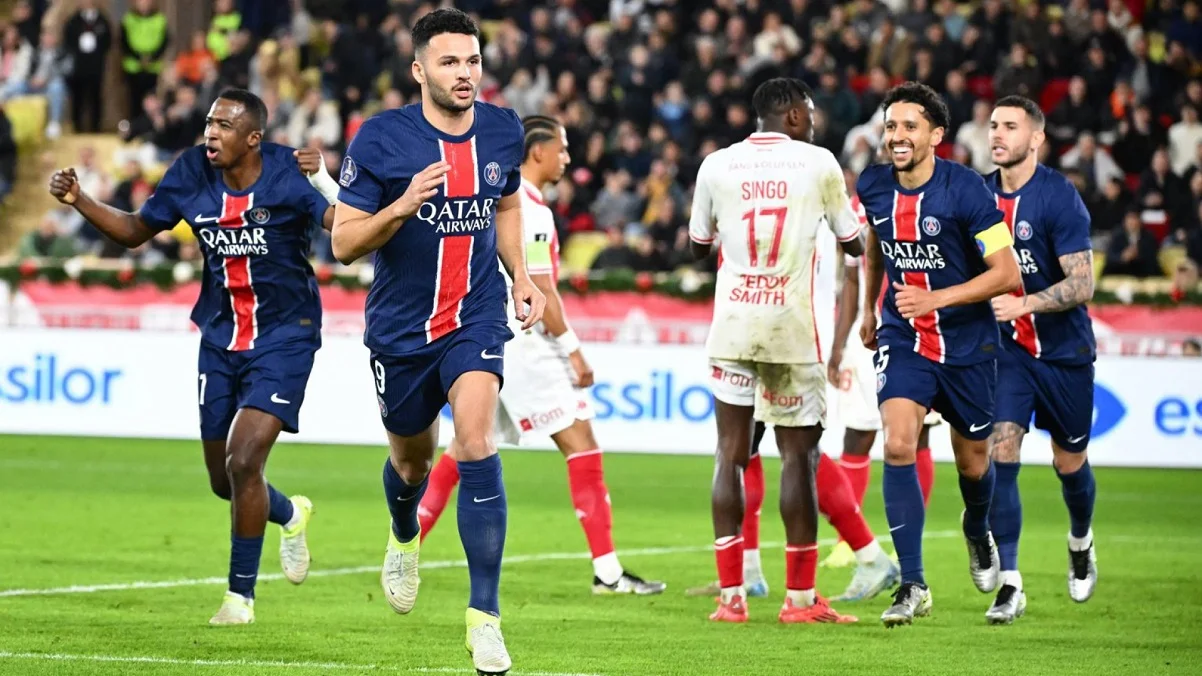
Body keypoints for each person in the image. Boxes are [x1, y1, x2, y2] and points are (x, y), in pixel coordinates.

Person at [47, 88, 336, 625]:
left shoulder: (288, 171)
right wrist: (80, 199)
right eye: (209, 123)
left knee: (244, 459)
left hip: (285, 336)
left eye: (224, 125)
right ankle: (291, 513)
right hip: (220, 338)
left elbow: (343, 227)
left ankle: (239, 598)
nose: (211, 133)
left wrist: (325, 181)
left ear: (254, 138)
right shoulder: (189, 171)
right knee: (223, 481)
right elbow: (135, 230)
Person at [330, 9, 545, 675]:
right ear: (419, 70)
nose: (464, 73)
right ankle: (404, 533)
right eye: (450, 62)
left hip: (475, 316)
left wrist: (521, 274)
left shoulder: (503, 129)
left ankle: (485, 620)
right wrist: (400, 207)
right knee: (411, 465)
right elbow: (342, 243)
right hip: (401, 331)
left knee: (476, 441)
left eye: (472, 61)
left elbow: (507, 202)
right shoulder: (381, 139)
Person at [414, 115, 666, 596]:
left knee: (465, 445)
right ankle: (608, 572)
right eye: (562, 148)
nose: (567, 158)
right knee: (582, 443)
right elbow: (541, 288)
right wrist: (573, 351)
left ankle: (404, 545)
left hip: (490, 338)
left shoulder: (500, 201)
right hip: (528, 343)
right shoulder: (529, 208)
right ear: (537, 152)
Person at [688, 77, 864, 625]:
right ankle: (800, 601)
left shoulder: (716, 164)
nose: (813, 122)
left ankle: (731, 598)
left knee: (729, 454)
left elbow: (697, 248)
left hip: (733, 325)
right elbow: (853, 242)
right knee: (798, 459)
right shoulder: (818, 163)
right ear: (791, 115)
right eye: (809, 112)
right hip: (791, 328)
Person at [857, 81, 1022, 628]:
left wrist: (937, 298)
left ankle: (976, 527)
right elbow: (876, 247)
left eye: (910, 126)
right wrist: (868, 309)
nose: (897, 135)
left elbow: (1007, 274)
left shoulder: (967, 190)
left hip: (968, 345)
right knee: (898, 442)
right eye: (891, 126)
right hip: (904, 336)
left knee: (974, 463)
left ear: (936, 135)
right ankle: (913, 584)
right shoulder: (873, 185)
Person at [685, 225, 899, 604]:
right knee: (752, 445)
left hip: (783, 331)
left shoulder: (800, 199)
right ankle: (751, 570)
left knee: (795, 450)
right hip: (766, 326)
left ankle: (868, 556)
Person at [984, 95, 1099, 624]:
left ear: (1036, 138)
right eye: (993, 125)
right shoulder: (979, 197)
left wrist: (1024, 303)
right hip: (1008, 352)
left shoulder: (1058, 197)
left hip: (1064, 353)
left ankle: (1080, 541)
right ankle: (1011, 582)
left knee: (1069, 463)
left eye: (1010, 126)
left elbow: (1083, 283)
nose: (997, 134)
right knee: (1002, 448)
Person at [823, 175, 944, 569]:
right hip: (869, 334)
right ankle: (849, 541)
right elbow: (853, 280)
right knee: (857, 435)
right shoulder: (861, 207)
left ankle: (910, 538)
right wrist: (839, 344)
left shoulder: (934, 201)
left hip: (921, 336)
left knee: (916, 437)